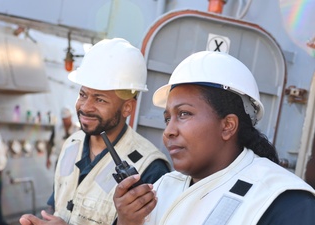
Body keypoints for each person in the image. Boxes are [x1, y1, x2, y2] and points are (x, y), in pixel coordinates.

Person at [113, 51, 315, 225]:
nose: (169, 131)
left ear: (228, 126)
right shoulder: (163, 188)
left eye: (184, 114)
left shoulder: (284, 202)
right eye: (168, 119)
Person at [19, 38, 171, 225]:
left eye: (100, 100)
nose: (85, 107)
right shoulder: (71, 144)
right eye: (83, 94)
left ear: (127, 108)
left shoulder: (149, 168)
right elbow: (57, 204)